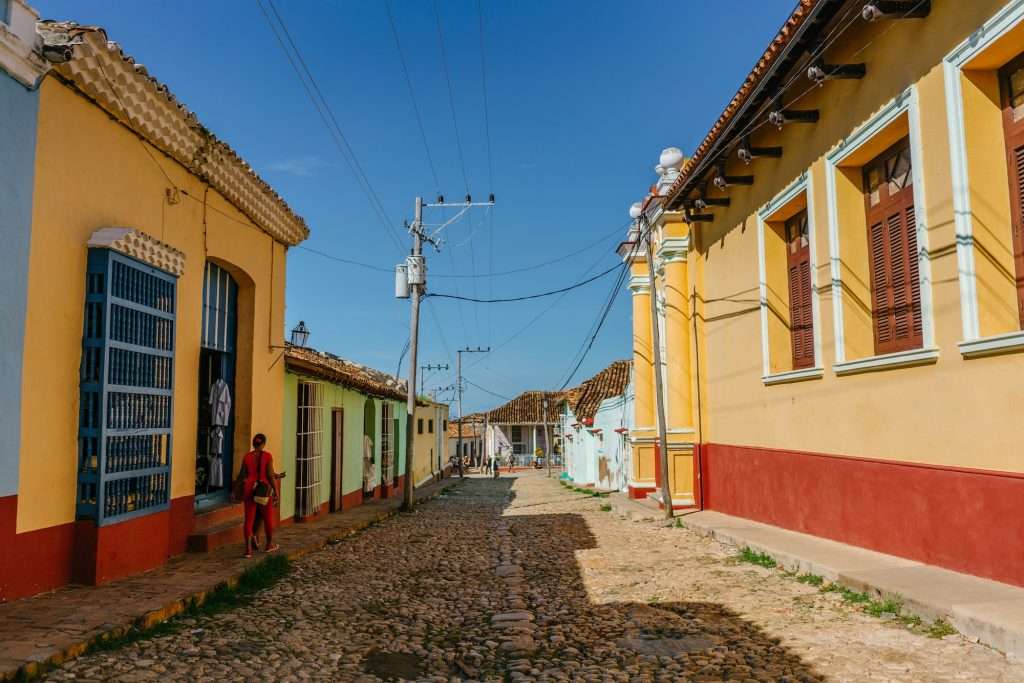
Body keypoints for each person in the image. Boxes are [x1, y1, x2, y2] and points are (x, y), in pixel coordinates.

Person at [240, 433, 281, 558]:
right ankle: (269, 545)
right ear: (263, 444)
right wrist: (276, 492)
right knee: (267, 518)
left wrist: (235, 489)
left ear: (253, 443)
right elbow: (269, 475)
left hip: (249, 489)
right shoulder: (267, 456)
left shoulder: (247, 457)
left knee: (249, 519)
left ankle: (248, 550)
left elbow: (242, 475)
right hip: (263, 490)